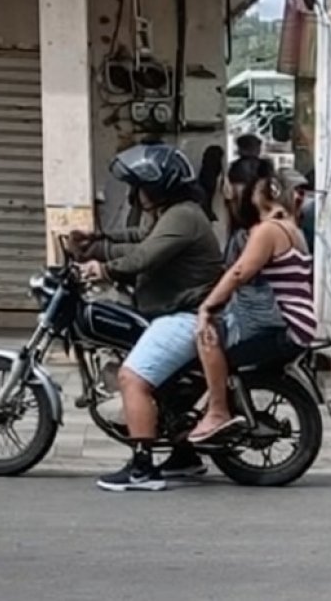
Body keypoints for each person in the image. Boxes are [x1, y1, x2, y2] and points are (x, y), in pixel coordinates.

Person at [74, 144, 224, 491]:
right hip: (177, 312)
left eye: (139, 186)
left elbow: (144, 257)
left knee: (132, 378)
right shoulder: (173, 213)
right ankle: (184, 456)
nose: (134, 193)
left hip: (187, 316)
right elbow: (140, 239)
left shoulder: (184, 216)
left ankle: (142, 468)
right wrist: (97, 241)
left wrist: (102, 268)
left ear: (157, 187)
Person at [190, 159, 316, 442]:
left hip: (284, 327)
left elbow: (239, 272)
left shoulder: (268, 231)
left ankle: (218, 412)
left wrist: (206, 307)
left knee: (207, 337)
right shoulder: (291, 228)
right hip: (300, 326)